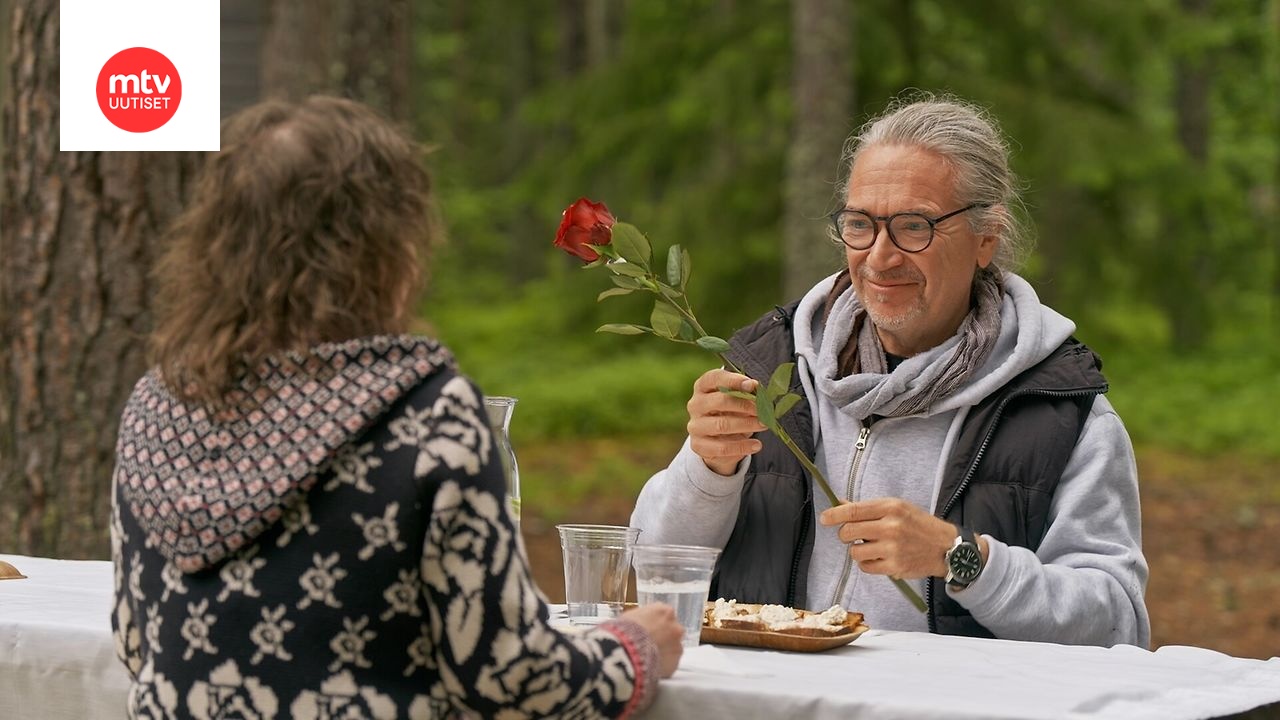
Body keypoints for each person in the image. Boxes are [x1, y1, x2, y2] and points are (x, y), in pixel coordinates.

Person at [111, 96, 682, 719]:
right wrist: (635, 648)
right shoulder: (427, 416)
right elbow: (510, 680)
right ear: (393, 247)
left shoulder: (156, 406)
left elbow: (136, 641)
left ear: (213, 244)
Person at [631, 93, 1150, 647]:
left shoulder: (1058, 408)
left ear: (986, 238)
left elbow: (1117, 622)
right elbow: (649, 564)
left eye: (913, 226)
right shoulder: (775, 369)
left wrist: (960, 558)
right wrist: (709, 472)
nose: (880, 257)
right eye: (860, 224)